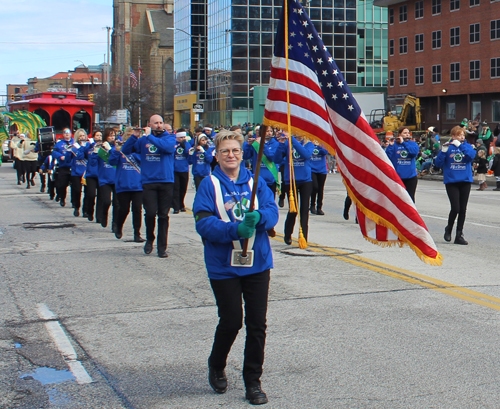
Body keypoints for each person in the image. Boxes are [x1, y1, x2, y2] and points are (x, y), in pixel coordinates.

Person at [192, 128, 279, 406]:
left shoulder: (256, 182)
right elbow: (203, 222)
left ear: (242, 154)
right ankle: (216, 364)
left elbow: (272, 210)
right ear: (216, 156)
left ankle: (252, 381)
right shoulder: (210, 184)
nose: (231, 155)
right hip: (224, 266)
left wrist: (260, 217)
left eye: (236, 151)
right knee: (231, 321)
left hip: (257, 264)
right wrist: (234, 229)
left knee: (257, 324)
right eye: (225, 151)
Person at [121, 115, 176, 258]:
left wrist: (149, 137)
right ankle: (150, 239)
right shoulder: (143, 140)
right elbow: (126, 151)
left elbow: (167, 148)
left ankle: (162, 247)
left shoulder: (169, 137)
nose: (159, 125)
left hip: (166, 181)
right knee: (150, 213)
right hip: (149, 182)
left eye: (160, 122)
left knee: (163, 215)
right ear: (150, 124)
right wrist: (134, 137)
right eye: (155, 123)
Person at [434, 125, 476, 245]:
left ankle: (459, 234)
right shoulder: (448, 147)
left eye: (463, 135)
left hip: (465, 181)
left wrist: (461, 146)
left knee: (463, 209)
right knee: (455, 208)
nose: (461, 137)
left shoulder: (466, 146)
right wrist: (443, 152)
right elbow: (438, 163)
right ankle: (449, 228)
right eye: (459, 135)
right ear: (453, 136)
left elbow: (471, 156)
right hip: (452, 181)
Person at [273, 133, 314, 244]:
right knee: (293, 210)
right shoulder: (287, 143)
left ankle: (303, 237)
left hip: (306, 180)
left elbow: (305, 155)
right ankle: (288, 234)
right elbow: (276, 159)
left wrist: (292, 140)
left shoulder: (309, 144)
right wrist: (281, 144)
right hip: (291, 180)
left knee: (304, 210)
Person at [109, 127, 145, 242]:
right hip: (123, 185)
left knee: (137, 209)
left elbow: (142, 159)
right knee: (124, 209)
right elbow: (112, 161)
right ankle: (119, 226)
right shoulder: (120, 150)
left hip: (137, 185)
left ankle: (137, 233)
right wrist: (116, 150)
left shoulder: (138, 151)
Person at [89, 128, 118, 230]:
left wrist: (110, 149)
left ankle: (115, 223)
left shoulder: (116, 148)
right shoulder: (101, 149)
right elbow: (92, 163)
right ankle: (104, 214)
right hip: (104, 179)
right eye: (110, 135)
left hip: (116, 179)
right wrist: (95, 153)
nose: (112, 137)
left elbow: (117, 158)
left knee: (117, 203)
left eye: (113, 135)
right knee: (106, 201)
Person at [385, 127, 419, 202]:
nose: (407, 134)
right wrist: (390, 146)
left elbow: (414, 153)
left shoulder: (412, 143)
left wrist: (403, 143)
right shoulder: (394, 144)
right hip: (398, 177)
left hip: (411, 177)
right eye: (404, 133)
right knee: (398, 200)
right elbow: (387, 157)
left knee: (410, 199)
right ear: (399, 134)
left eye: (408, 133)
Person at [243, 126, 279, 196]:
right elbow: (245, 156)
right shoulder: (255, 143)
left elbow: (272, 157)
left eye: (271, 131)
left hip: (270, 178)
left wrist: (262, 144)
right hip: (258, 177)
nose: (269, 133)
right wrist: (248, 145)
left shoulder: (276, 144)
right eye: (267, 131)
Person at [51, 128, 74, 207]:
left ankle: (74, 201)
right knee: (62, 185)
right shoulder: (59, 143)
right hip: (63, 166)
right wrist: (60, 157)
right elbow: (54, 152)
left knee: (75, 186)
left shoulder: (74, 142)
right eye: (65, 133)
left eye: (68, 132)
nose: (67, 134)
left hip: (73, 167)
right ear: (63, 134)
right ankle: (62, 198)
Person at [70, 129, 89, 216]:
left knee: (88, 192)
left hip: (86, 172)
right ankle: (77, 207)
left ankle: (85, 210)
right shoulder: (74, 147)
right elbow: (79, 156)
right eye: (80, 136)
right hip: (76, 172)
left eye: (83, 135)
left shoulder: (89, 146)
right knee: (77, 190)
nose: (82, 137)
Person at [172, 128, 191, 213]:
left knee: (183, 188)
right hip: (175, 169)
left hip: (184, 168)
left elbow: (190, 153)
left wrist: (185, 146)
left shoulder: (187, 144)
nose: (183, 139)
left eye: (184, 137)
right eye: (181, 137)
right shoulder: (174, 144)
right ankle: (176, 207)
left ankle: (181, 204)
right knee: (176, 189)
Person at [309, 141, 329, 215]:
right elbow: (308, 152)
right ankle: (312, 205)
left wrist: (320, 146)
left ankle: (319, 207)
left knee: (320, 189)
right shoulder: (309, 144)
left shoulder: (322, 143)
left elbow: (325, 151)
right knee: (315, 187)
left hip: (322, 170)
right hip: (312, 169)